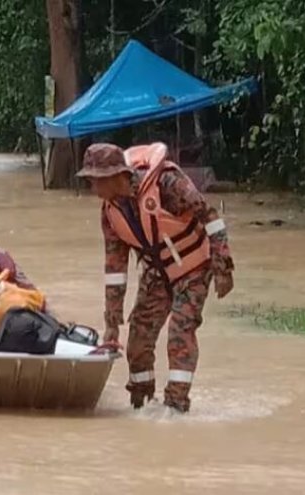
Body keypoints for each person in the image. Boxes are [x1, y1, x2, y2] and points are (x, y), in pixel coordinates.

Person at [77, 142, 235, 413]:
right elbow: (115, 270)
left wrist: (223, 266)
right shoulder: (110, 214)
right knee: (137, 340)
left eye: (95, 180)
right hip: (157, 272)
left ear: (116, 176)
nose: (93, 188)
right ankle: (142, 403)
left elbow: (210, 216)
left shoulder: (167, 184)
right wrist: (112, 323)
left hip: (194, 267)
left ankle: (175, 406)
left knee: (180, 331)